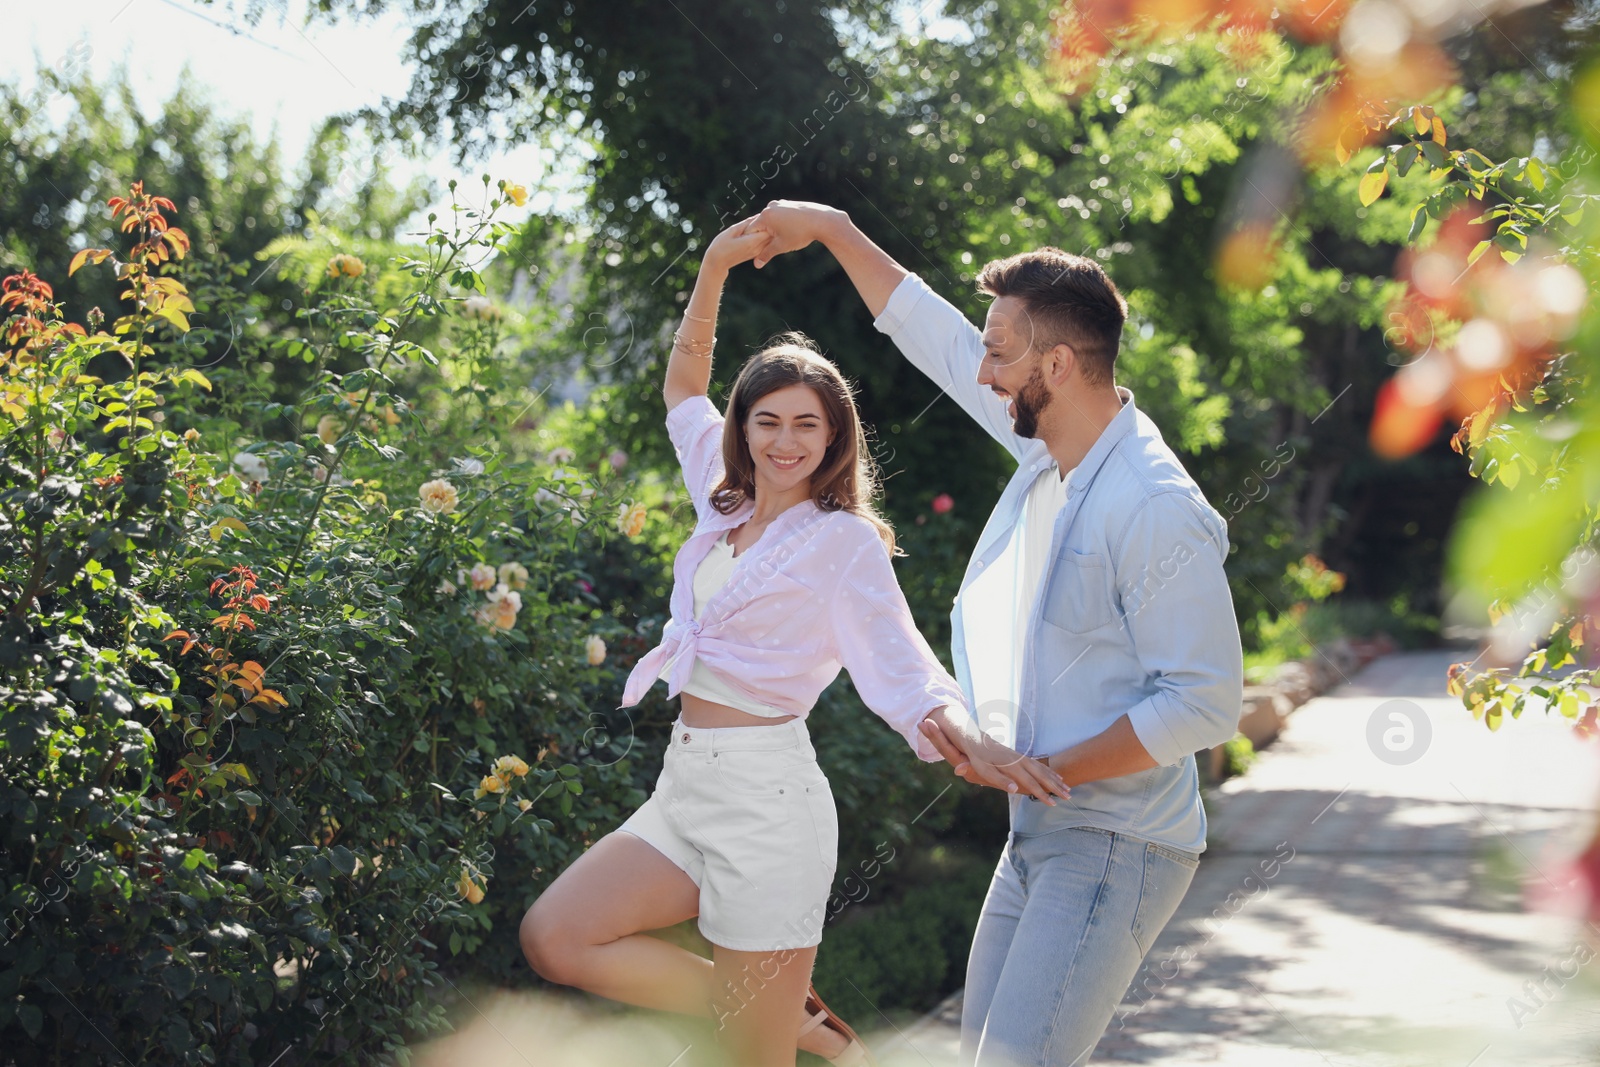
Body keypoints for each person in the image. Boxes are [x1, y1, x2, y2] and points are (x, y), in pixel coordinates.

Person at [518, 216, 1073, 1067]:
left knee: (748, 1060)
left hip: (769, 808)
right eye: (766, 421)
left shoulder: (841, 541)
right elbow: (682, 387)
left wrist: (973, 741)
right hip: (685, 784)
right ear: (743, 428)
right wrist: (713, 266)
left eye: (806, 425)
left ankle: (772, 1023)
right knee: (556, 935)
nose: (783, 440)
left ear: (833, 436)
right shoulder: (722, 498)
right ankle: (786, 1019)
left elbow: (903, 666)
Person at [751, 201, 1246, 1066]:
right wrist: (833, 229)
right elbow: (933, 337)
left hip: (1117, 842)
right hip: (1040, 831)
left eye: (1000, 350)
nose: (982, 371)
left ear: (1056, 363)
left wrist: (1043, 771)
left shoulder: (1153, 505)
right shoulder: (1052, 452)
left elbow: (1204, 702)